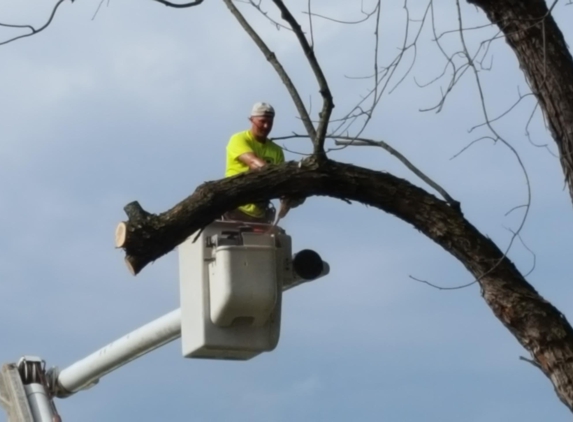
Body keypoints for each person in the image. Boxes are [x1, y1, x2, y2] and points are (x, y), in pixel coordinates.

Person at [223, 102, 301, 224]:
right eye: (262, 121)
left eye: (270, 122)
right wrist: (281, 176)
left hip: (260, 214)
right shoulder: (239, 139)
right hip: (235, 209)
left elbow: (282, 182)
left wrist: (291, 194)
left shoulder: (276, 150)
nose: (266, 126)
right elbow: (254, 163)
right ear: (251, 120)